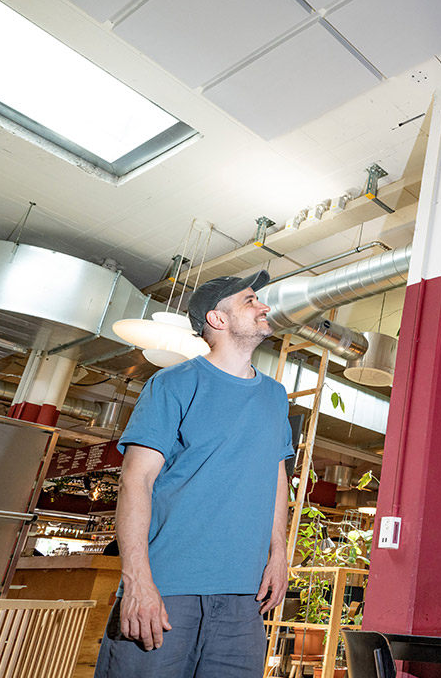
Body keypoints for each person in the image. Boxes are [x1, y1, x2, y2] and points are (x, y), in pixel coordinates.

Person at [95, 270, 294, 677]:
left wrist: (279, 555)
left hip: (244, 600)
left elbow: (276, 480)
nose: (264, 306)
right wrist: (137, 581)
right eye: (250, 301)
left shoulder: (275, 396)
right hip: (168, 589)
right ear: (217, 320)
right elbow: (137, 480)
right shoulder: (173, 384)